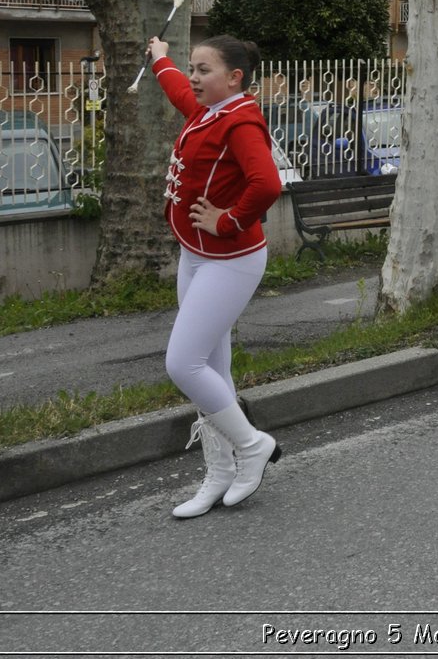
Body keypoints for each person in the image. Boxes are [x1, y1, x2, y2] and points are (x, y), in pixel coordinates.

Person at [147, 34, 284, 518]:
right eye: (192, 67)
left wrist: (227, 220)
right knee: (214, 371)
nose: (193, 77)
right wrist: (161, 58)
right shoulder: (207, 111)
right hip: (196, 256)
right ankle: (219, 472)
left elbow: (266, 183)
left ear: (234, 78)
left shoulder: (241, 119)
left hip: (230, 261)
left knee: (182, 364)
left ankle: (252, 445)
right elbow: (179, 93)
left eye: (203, 70)